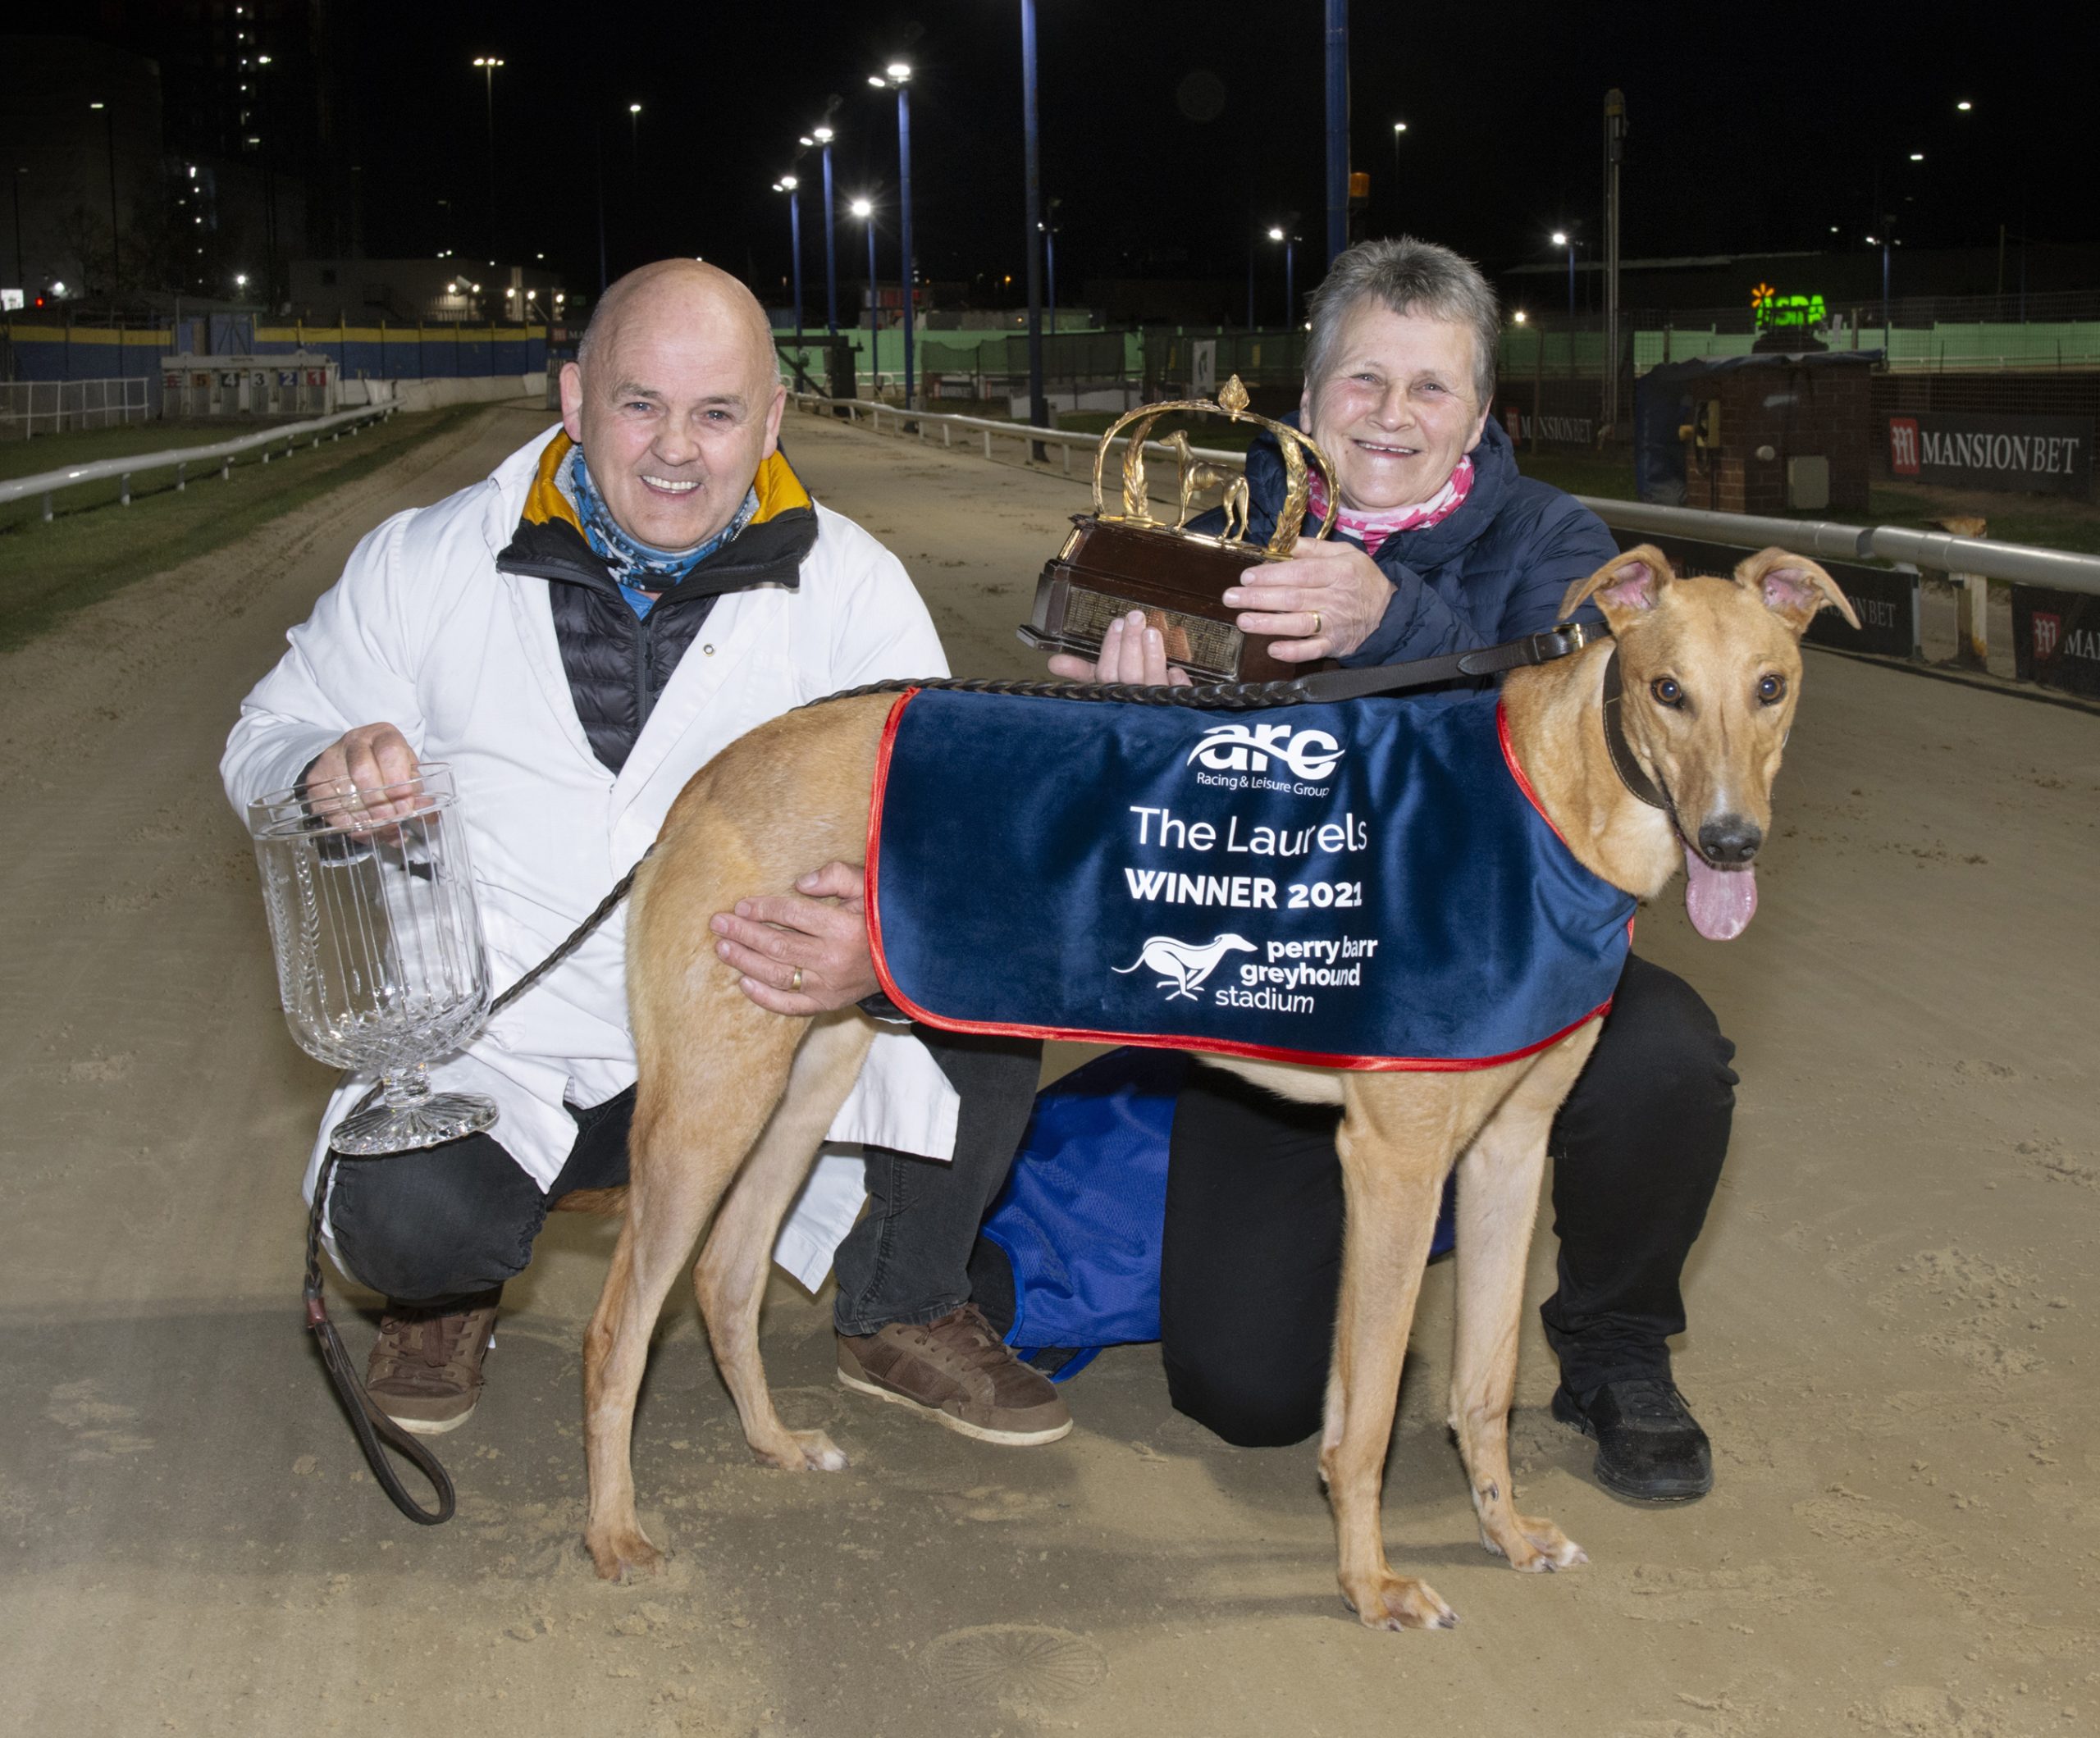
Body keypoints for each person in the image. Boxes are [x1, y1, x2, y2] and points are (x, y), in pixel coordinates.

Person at [222, 261, 1060, 1447]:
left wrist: (877, 951)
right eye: (639, 404)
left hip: (754, 1020)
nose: (678, 449)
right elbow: (264, 734)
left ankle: (903, 1304)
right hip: (504, 1043)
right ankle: (441, 1299)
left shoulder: (854, 590)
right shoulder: (426, 559)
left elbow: (952, 832)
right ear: (573, 398)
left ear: (769, 420)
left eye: (717, 413)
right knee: (403, 1212)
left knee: (977, 987)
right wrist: (323, 767)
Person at [1036, 236, 1736, 1502]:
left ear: (1479, 414)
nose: (1394, 415)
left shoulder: (1557, 542)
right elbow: (1146, 832)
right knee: (1244, 1396)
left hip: (1501, 964)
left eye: (1432, 388)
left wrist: (1388, 617)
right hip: (1297, 981)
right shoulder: (1208, 535)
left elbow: (1564, 737)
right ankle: (1430, 1196)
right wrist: (1123, 721)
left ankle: (1613, 1342)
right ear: (1307, 403)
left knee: (1669, 1055)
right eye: (1364, 381)